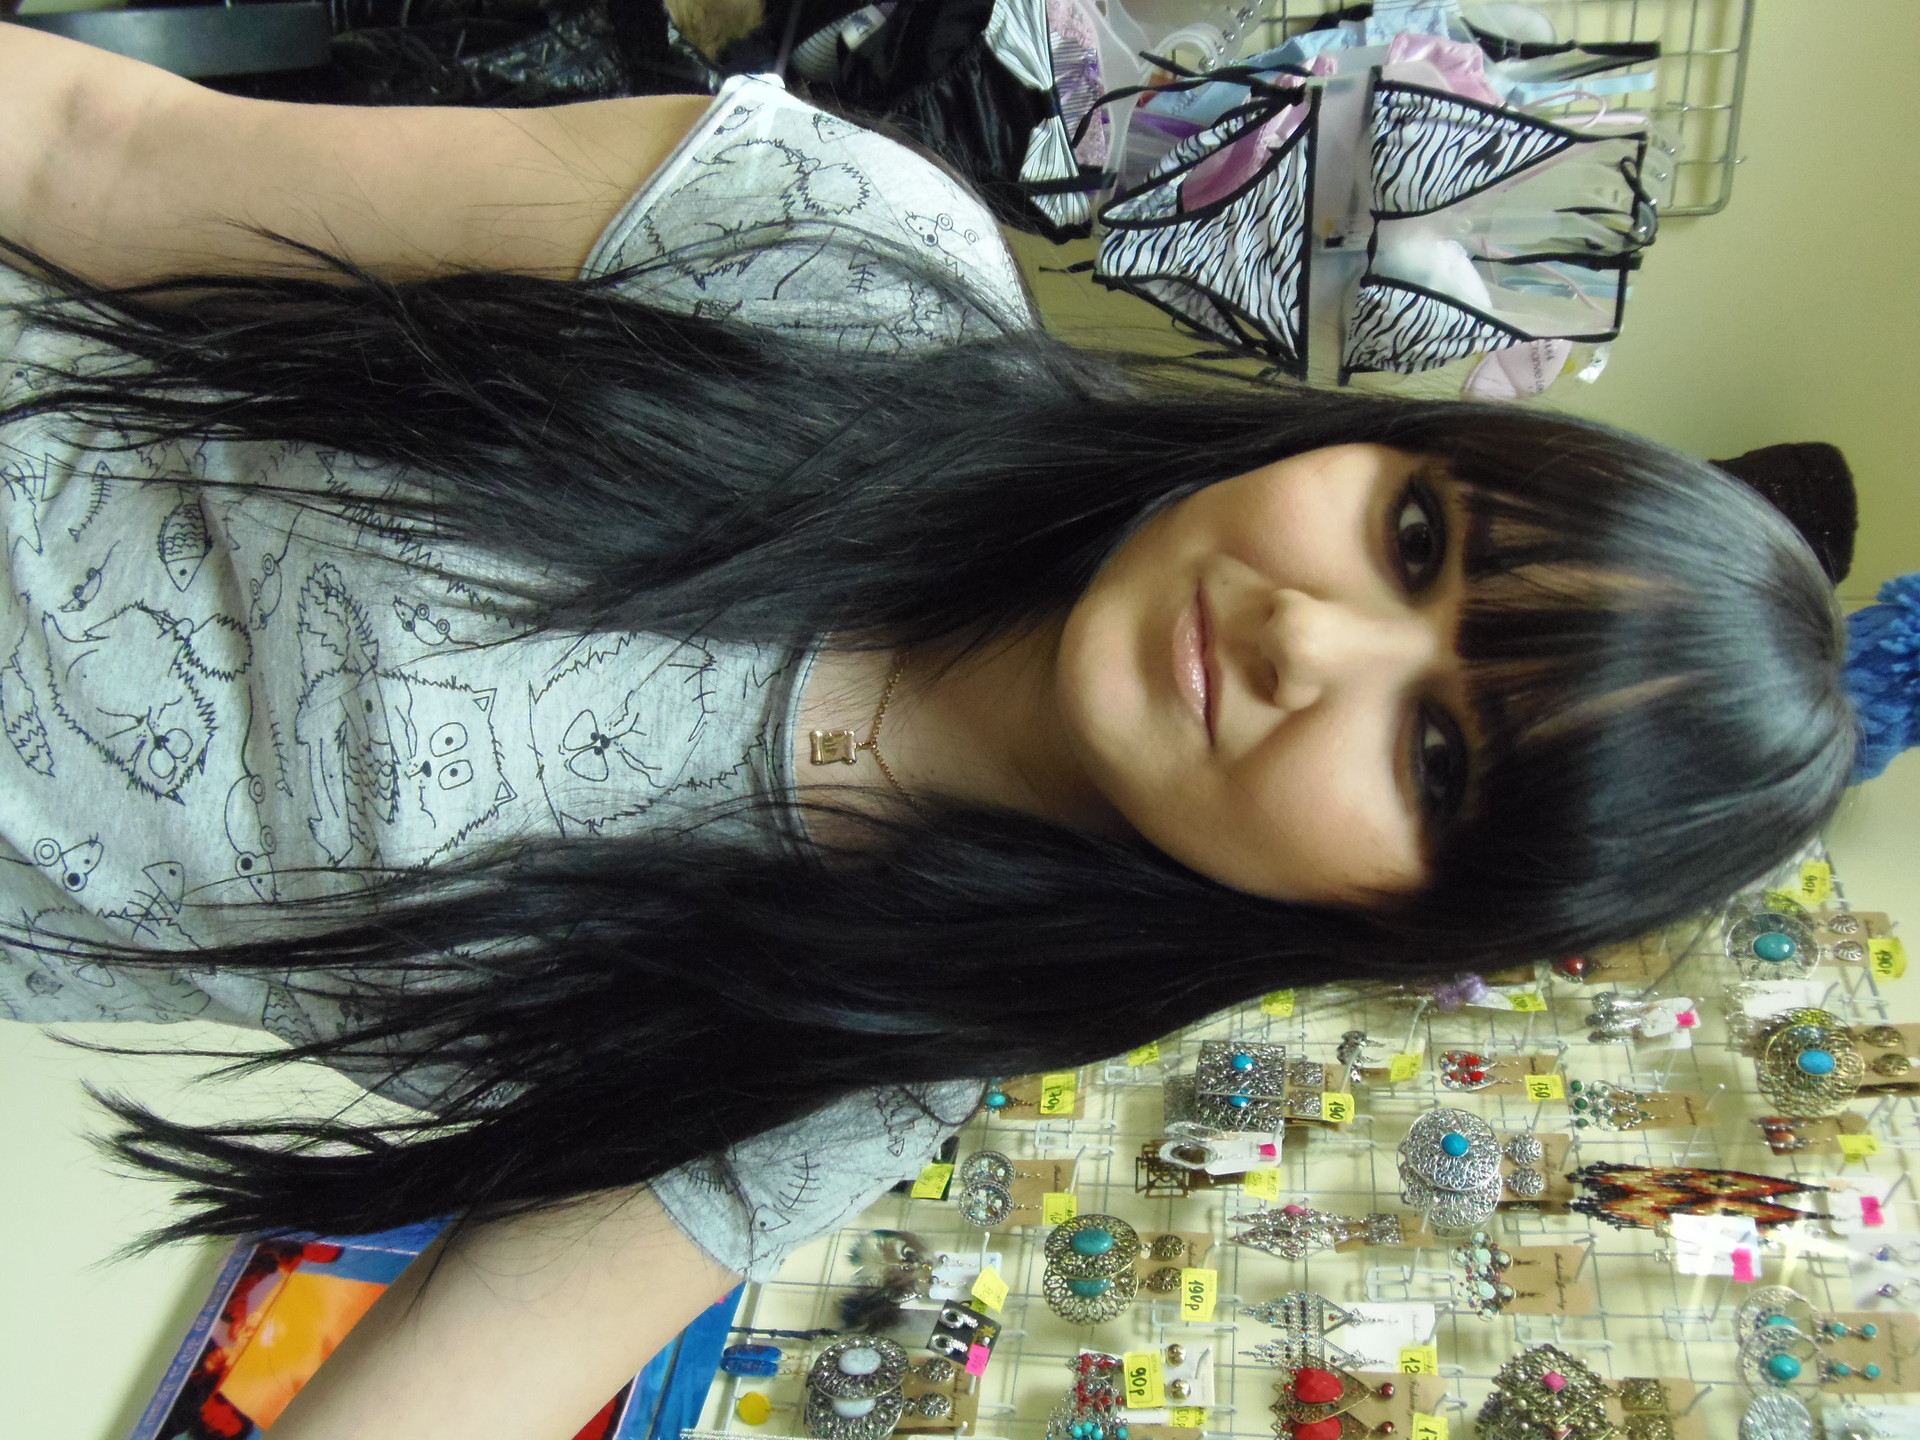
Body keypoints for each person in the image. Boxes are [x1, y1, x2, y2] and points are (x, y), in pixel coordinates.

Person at [0, 24, 1852, 1440]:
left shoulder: (843, 1072)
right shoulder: (829, 253)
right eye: (1416, 536)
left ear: (1394, 915)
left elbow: (449, 1393)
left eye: (1432, 758)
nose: (1306, 635)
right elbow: (100, 147)